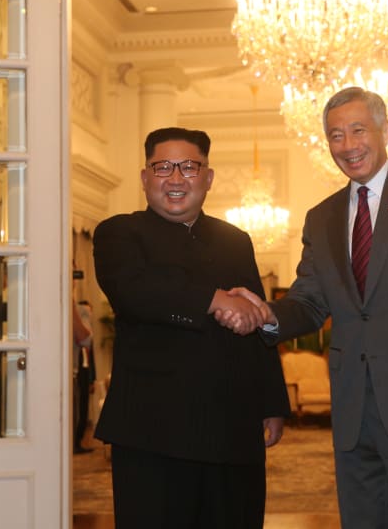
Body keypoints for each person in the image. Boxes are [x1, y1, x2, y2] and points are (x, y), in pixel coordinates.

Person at [219, 87, 388, 529]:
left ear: (385, 131)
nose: (348, 145)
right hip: (353, 412)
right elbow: (310, 302)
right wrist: (266, 313)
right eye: (336, 135)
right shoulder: (320, 217)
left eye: (358, 130)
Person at [92, 126, 290, 529]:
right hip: (153, 430)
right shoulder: (119, 232)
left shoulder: (236, 240)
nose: (176, 178)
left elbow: (255, 319)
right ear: (145, 177)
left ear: (208, 178)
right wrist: (215, 300)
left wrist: (272, 402)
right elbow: (135, 291)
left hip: (233, 429)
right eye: (163, 167)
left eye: (189, 167)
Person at [73, 299, 96, 454]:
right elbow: (85, 338)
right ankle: (75, 442)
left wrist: (93, 379)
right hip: (78, 371)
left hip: (85, 373)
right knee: (78, 406)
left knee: (83, 406)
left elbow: (92, 359)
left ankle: (78, 441)